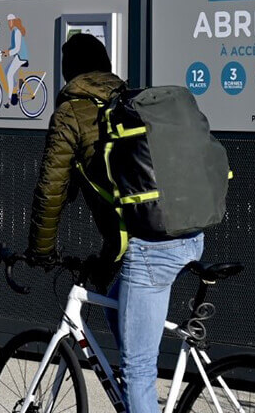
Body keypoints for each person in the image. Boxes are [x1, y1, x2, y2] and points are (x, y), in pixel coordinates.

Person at [25, 33, 203, 413]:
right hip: (190, 232)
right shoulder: (131, 101)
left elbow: (52, 189)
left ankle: (139, 398)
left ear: (67, 71)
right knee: (112, 296)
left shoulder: (71, 113)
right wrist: (106, 260)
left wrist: (40, 251)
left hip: (151, 248)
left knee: (137, 371)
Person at [0, 14, 29, 108]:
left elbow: (17, 49)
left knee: (9, 74)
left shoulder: (17, 32)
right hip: (18, 56)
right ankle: (15, 88)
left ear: (13, 21)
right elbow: (12, 47)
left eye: (9, 21)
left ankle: (9, 100)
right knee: (6, 70)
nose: (8, 24)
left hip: (21, 57)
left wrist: (8, 53)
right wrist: (5, 51)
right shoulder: (13, 32)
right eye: (8, 22)